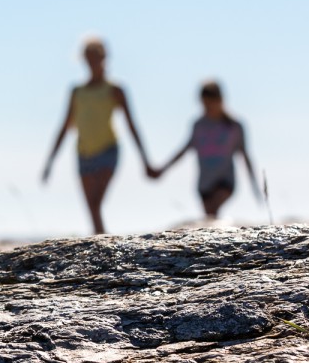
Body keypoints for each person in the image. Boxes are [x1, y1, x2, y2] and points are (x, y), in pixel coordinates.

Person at [42, 37, 153, 235]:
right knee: (92, 209)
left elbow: (131, 125)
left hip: (108, 151)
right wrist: (50, 161)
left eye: (96, 58)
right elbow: (64, 126)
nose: (92, 63)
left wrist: (145, 161)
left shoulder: (115, 90)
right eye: (88, 59)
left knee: (95, 204)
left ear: (104, 58)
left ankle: (103, 247)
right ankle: (101, 243)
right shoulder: (77, 91)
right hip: (83, 153)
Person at [151, 79, 260, 219]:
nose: (207, 108)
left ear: (220, 100)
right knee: (209, 217)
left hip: (225, 180)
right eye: (204, 104)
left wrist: (255, 185)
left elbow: (245, 155)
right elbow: (184, 150)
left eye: (210, 104)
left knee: (213, 209)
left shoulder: (234, 126)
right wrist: (163, 169)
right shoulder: (199, 125)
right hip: (204, 183)